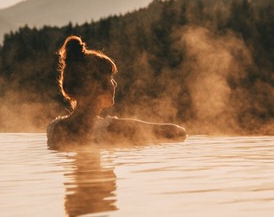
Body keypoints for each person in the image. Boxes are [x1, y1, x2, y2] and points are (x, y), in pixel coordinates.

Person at [47, 35, 187, 149]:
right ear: (96, 86)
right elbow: (178, 132)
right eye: (110, 78)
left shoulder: (54, 129)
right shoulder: (110, 129)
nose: (114, 84)